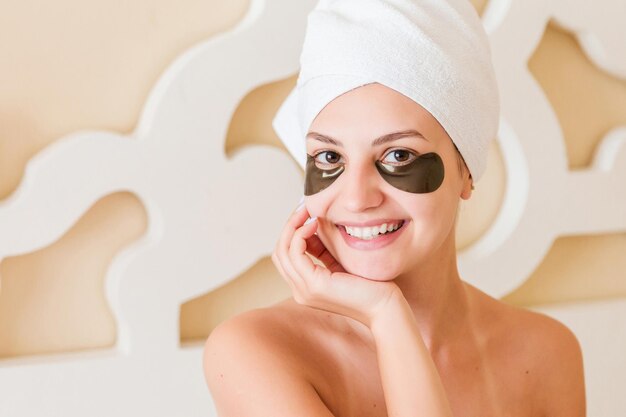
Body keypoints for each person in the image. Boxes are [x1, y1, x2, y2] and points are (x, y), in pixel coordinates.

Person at [203, 1, 586, 416]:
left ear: (466, 171)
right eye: (329, 157)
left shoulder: (547, 355)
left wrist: (390, 321)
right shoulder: (252, 352)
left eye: (399, 155)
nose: (355, 199)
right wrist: (386, 315)